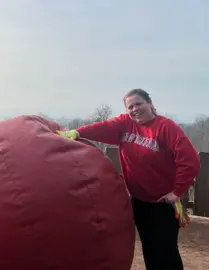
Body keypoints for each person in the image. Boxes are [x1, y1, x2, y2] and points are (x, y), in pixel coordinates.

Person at [57, 88, 200, 270]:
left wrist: (176, 192)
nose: (135, 109)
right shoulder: (125, 124)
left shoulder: (166, 127)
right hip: (139, 202)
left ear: (150, 103)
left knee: (165, 252)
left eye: (139, 104)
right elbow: (104, 127)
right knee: (149, 250)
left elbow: (190, 161)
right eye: (130, 106)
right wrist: (77, 133)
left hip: (162, 205)